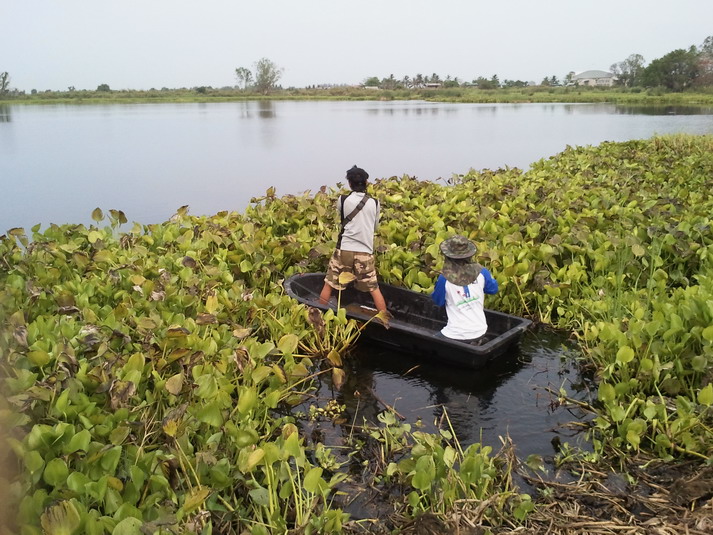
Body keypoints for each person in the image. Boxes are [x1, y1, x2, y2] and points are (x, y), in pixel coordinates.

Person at [319, 165, 387, 313]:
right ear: (366, 182)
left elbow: (342, 219)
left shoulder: (342, 200)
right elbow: (375, 228)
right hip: (364, 251)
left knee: (329, 284)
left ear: (349, 183)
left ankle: (318, 317)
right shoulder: (375, 203)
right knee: (374, 288)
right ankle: (385, 322)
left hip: (345, 249)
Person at [431, 235, 498, 341]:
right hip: (481, 330)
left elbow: (438, 301)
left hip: (455, 335)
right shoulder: (482, 271)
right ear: (469, 255)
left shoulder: (443, 278)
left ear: (448, 256)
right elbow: (493, 289)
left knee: (432, 341)